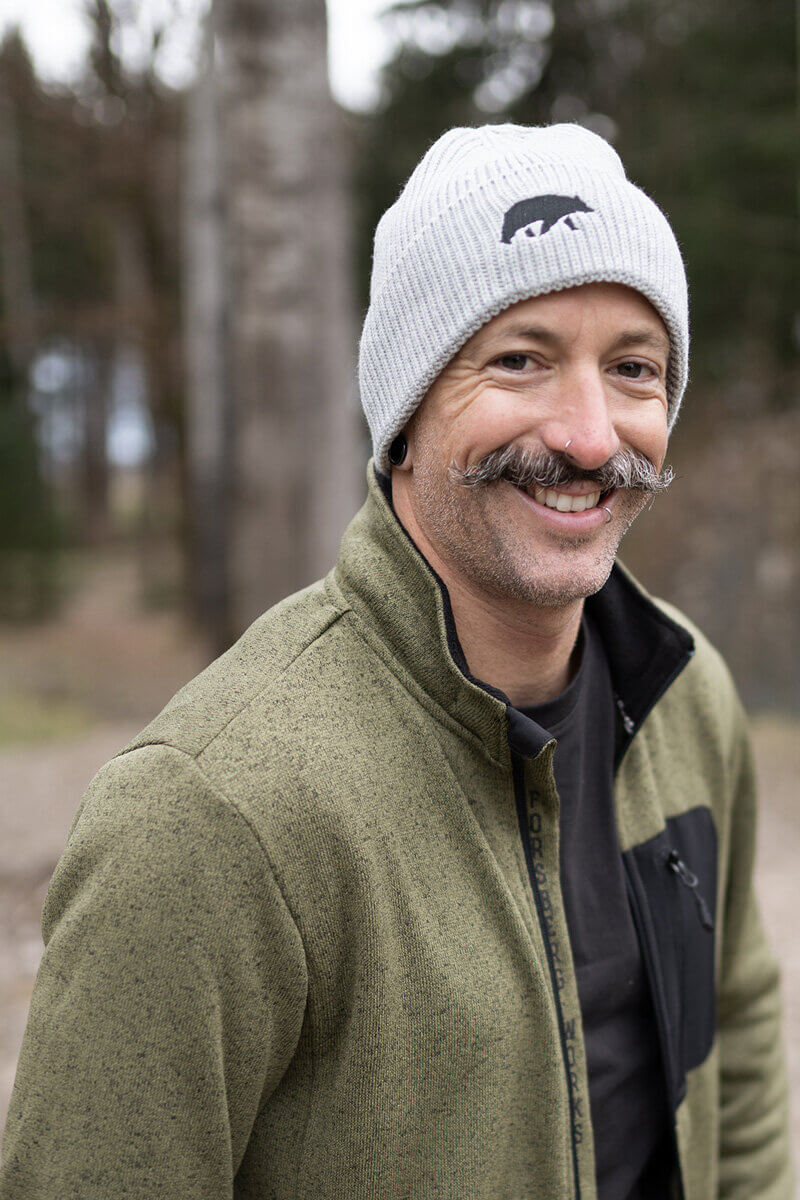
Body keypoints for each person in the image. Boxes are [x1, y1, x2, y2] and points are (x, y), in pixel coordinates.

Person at [0, 124, 793, 1200]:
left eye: (633, 368)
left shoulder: (685, 695)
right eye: (519, 358)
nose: (587, 431)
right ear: (405, 409)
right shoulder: (208, 817)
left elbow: (736, 1050)